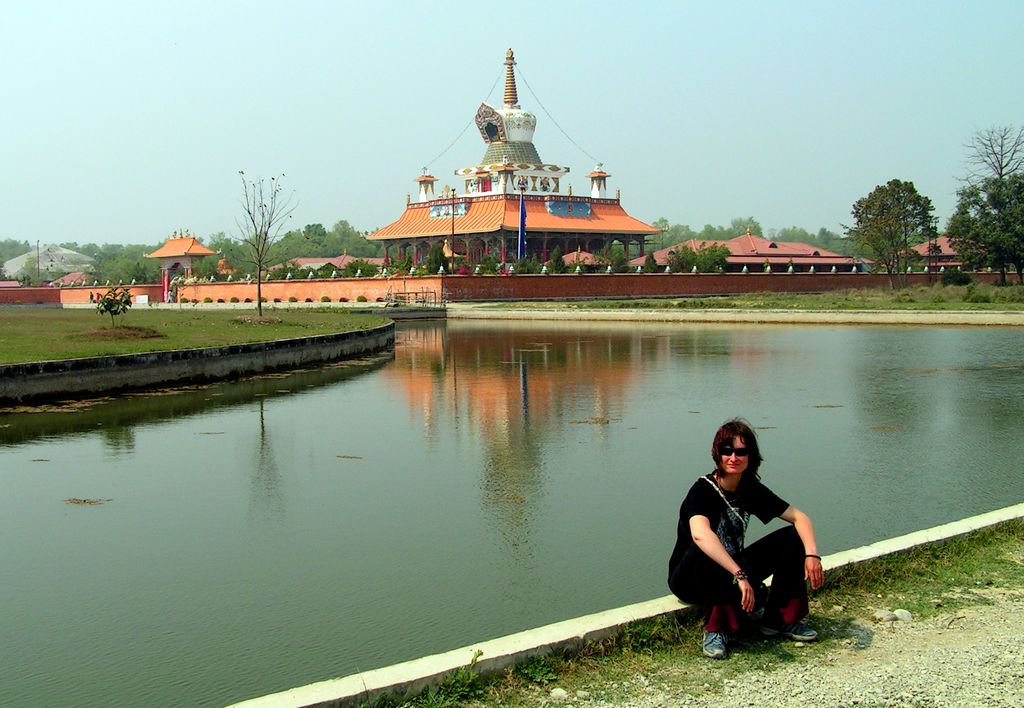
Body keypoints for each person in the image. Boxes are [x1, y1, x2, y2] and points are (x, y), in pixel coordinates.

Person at [668, 418, 825, 659]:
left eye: (741, 451)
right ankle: (716, 629)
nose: (733, 457)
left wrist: (812, 554)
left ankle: (780, 619)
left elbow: (800, 518)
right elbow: (700, 535)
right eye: (727, 451)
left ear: (750, 456)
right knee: (712, 545)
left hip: (732, 570)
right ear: (717, 455)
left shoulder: (750, 489)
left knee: (794, 538)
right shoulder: (702, 491)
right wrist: (739, 575)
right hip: (690, 577)